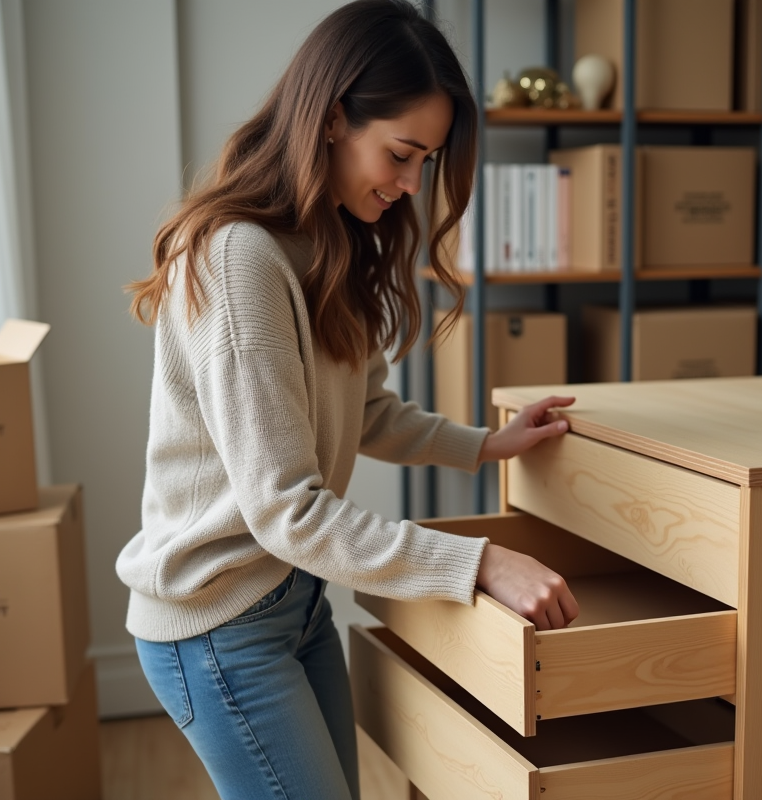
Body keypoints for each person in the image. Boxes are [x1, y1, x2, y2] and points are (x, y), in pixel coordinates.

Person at [116, 2, 578, 798]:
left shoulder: (330, 242)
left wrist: (488, 444)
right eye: (400, 153)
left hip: (295, 600)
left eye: (425, 161)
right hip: (220, 624)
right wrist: (480, 562)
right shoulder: (237, 261)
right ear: (333, 119)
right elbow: (287, 509)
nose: (409, 185)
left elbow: (365, 413)